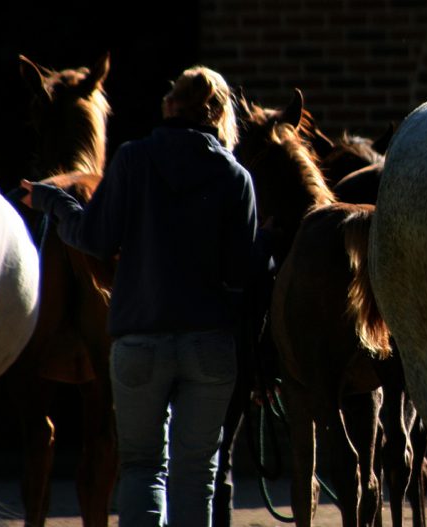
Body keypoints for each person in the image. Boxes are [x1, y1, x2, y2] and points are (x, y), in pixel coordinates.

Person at [21, 65, 257, 527]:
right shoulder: (236, 178)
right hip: (209, 344)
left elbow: (93, 237)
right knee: (195, 476)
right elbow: (242, 274)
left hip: (140, 340)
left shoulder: (132, 160)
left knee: (142, 468)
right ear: (220, 114)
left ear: (171, 104)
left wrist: (53, 200)